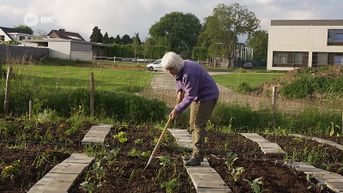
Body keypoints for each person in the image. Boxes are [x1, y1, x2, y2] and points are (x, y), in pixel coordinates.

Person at [161, 51, 219, 166]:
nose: (169, 72)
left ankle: (197, 157)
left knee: (198, 125)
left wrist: (177, 109)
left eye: (170, 69)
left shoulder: (189, 73)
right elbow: (179, 79)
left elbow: (190, 96)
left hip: (207, 96)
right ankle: (196, 153)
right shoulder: (180, 68)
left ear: (176, 65)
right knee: (192, 123)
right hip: (198, 96)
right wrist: (179, 91)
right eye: (167, 69)